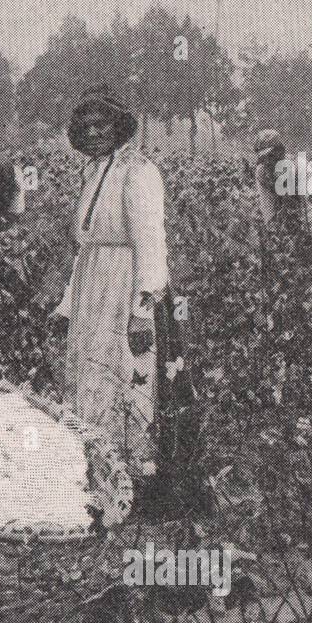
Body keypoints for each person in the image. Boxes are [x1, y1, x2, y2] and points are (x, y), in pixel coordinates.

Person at [51, 87, 201, 513]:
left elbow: (152, 247)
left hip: (125, 291)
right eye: (88, 126)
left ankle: (135, 479)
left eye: (104, 124)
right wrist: (66, 305)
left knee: (126, 377)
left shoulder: (139, 173)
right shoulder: (95, 173)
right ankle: (97, 473)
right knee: (91, 378)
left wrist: (142, 311)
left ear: (119, 127)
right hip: (92, 292)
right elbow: (86, 249)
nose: (96, 132)